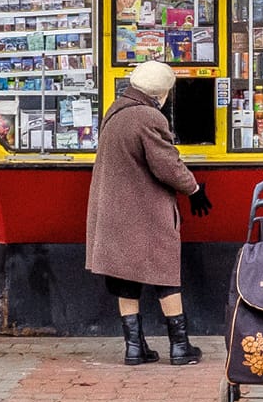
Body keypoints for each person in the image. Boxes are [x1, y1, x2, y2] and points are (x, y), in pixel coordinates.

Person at [87, 60, 210, 365]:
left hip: (114, 211)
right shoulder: (148, 117)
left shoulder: (115, 111)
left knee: (124, 277)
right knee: (165, 274)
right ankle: (180, 347)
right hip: (144, 211)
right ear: (160, 94)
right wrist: (194, 189)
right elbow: (168, 165)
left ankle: (134, 347)